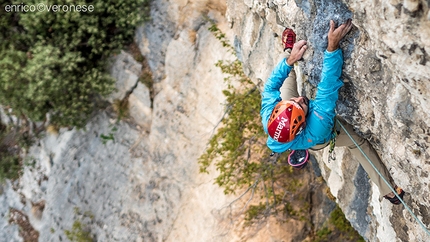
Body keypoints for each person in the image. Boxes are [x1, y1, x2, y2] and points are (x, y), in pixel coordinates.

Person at [260, 19, 405, 205]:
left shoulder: (269, 117)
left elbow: (271, 87)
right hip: (320, 135)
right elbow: (328, 85)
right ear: (303, 122)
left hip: (291, 119)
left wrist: (290, 60)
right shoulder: (317, 126)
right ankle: (388, 190)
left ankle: (289, 50)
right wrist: (332, 46)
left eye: (293, 101)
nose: (299, 98)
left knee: (287, 75)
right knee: (358, 143)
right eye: (300, 105)